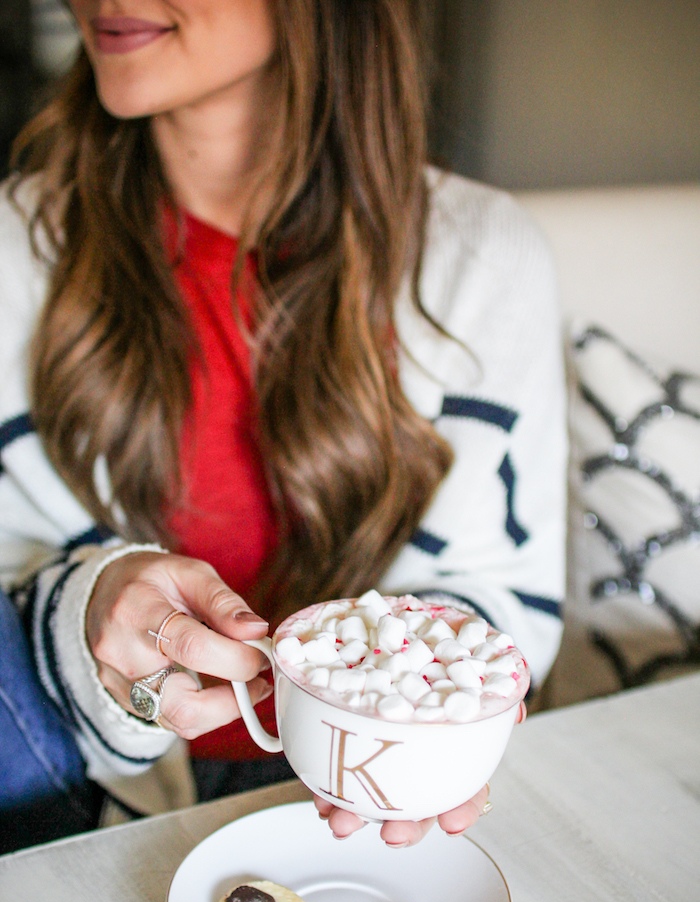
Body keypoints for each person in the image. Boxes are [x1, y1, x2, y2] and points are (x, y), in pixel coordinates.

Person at [0, 0, 566, 853]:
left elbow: (502, 583)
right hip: (88, 817)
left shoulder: (482, 259)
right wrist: (90, 617)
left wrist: (416, 713)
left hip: (374, 828)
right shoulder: (14, 251)